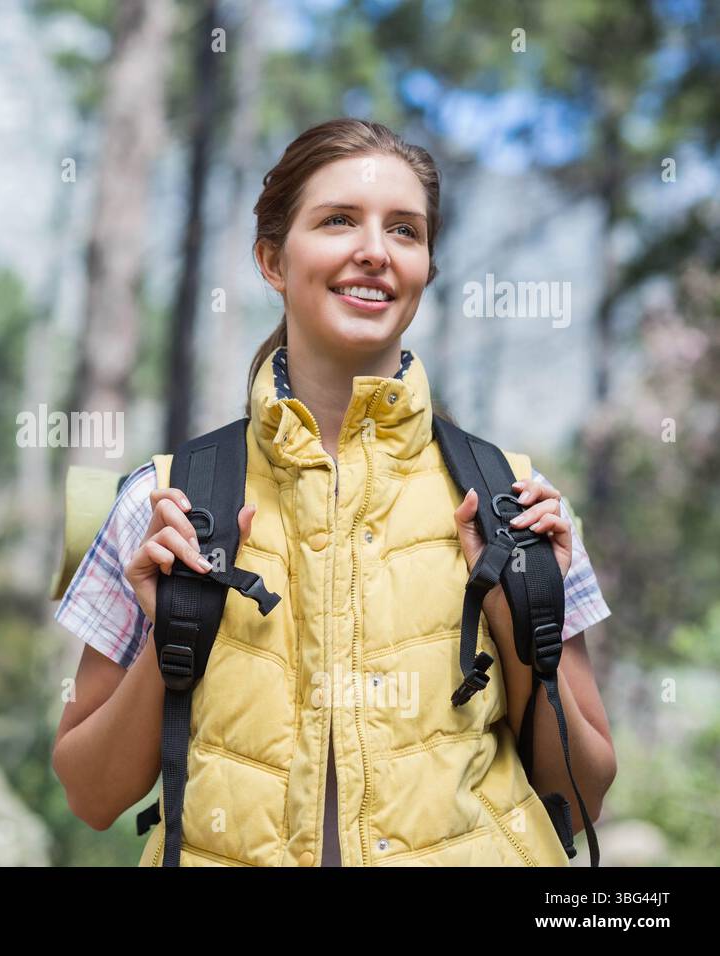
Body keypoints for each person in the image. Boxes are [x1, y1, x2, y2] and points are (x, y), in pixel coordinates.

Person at [50, 118, 617, 867]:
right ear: (272, 259)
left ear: (425, 269)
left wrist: (519, 615)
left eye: (405, 231)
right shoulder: (164, 503)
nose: (374, 252)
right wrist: (174, 636)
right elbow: (91, 797)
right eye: (338, 220)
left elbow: (581, 796)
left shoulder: (517, 499)